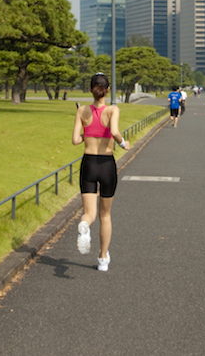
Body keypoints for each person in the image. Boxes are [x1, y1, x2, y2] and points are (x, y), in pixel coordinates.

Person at [72, 72, 129, 271]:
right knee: (105, 215)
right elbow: (114, 131)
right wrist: (123, 143)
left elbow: (75, 140)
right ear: (107, 90)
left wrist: (87, 130)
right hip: (106, 164)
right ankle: (103, 258)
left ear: (91, 89)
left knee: (89, 213)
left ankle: (84, 226)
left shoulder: (82, 111)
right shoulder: (113, 110)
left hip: (88, 163)